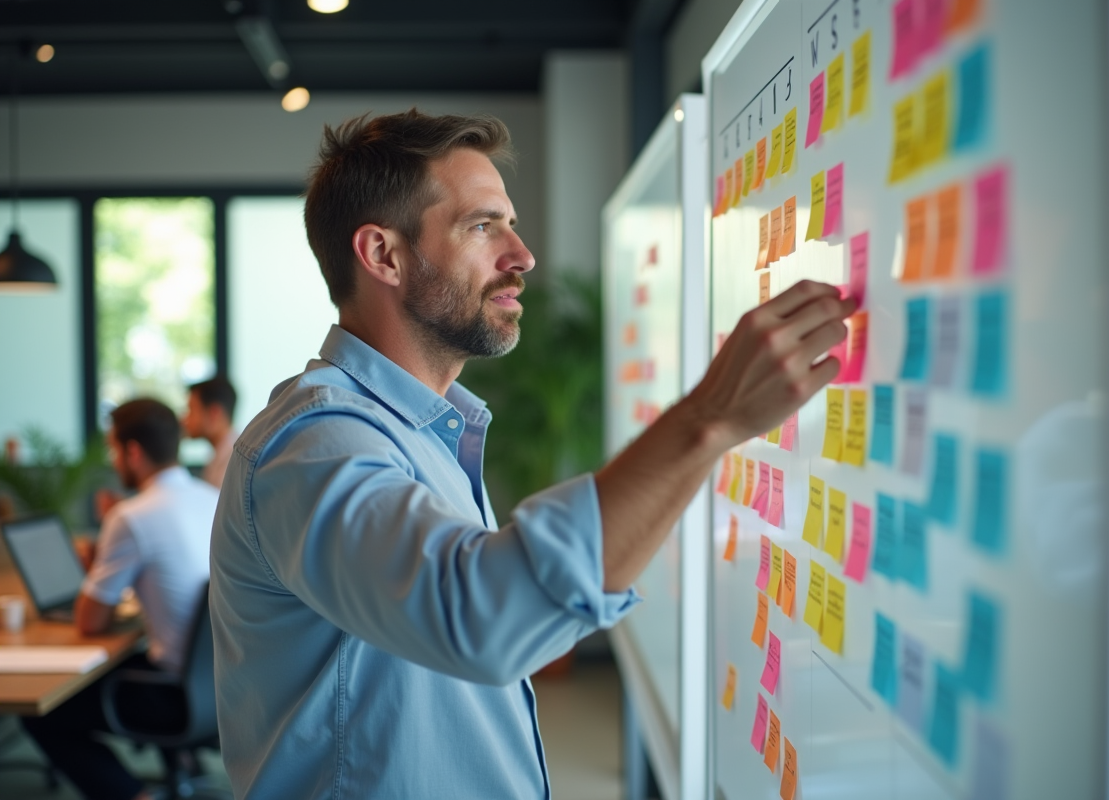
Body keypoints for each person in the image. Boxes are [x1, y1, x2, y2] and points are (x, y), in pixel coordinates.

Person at [209, 109, 855, 799]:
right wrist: (710, 419)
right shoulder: (318, 444)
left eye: (510, 224)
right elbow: (479, 619)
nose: (522, 255)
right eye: (483, 226)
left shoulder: (424, 431)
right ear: (383, 256)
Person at [24, 398, 218, 800]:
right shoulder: (210, 497)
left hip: (172, 695)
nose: (114, 461)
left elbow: (89, 622)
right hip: (220, 686)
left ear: (132, 451)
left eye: (113, 449)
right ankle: (175, 767)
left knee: (42, 714)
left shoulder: (132, 515)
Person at [181, 375, 239, 488]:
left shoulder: (234, 459)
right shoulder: (221, 453)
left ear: (214, 413)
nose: (185, 419)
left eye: (191, 409)